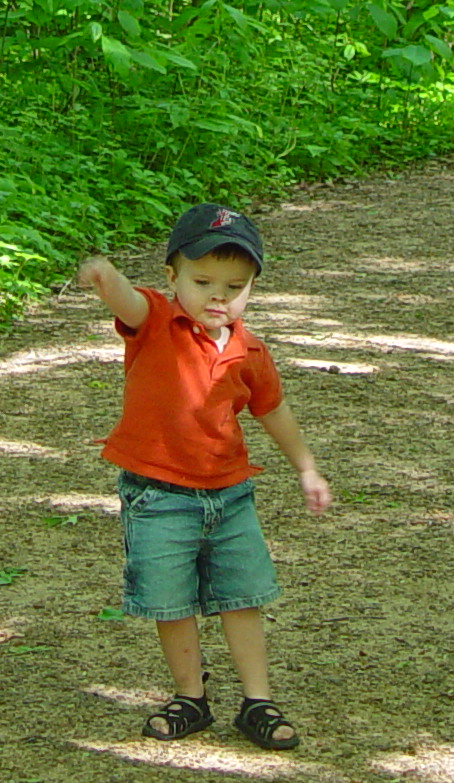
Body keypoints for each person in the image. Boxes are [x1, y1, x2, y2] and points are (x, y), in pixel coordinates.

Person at [72, 202, 333, 750]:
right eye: (203, 280)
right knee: (172, 601)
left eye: (237, 285)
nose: (220, 295)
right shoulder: (157, 324)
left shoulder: (250, 351)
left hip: (230, 496)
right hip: (159, 495)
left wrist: (307, 468)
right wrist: (105, 276)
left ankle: (257, 700)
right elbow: (127, 300)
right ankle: (190, 696)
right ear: (172, 279)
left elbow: (273, 412)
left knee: (242, 596)